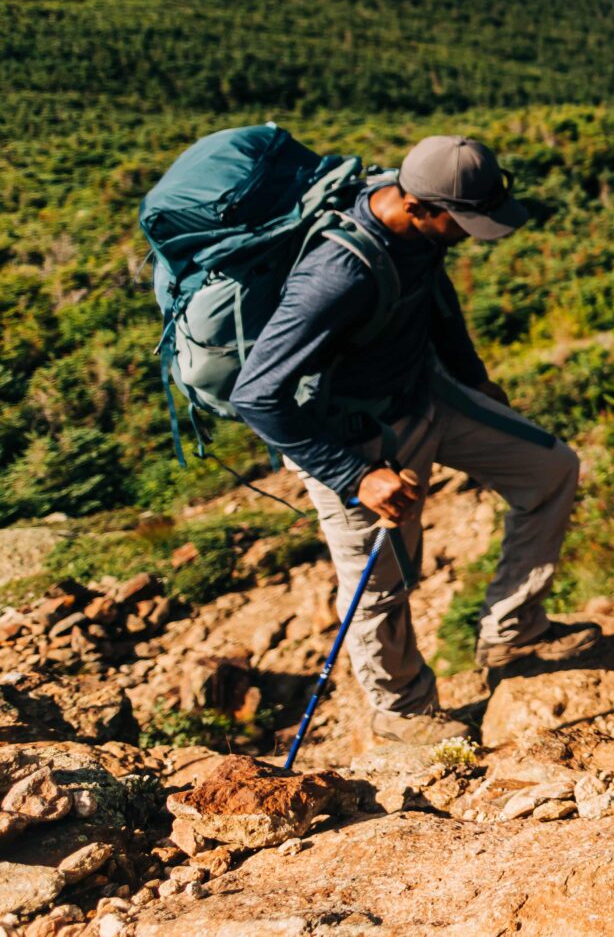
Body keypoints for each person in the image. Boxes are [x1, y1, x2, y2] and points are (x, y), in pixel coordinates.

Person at [233, 135, 590, 745]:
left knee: (550, 468)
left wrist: (475, 378)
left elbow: (433, 299)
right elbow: (256, 395)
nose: (473, 235)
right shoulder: (336, 274)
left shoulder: (420, 232)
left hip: (424, 395)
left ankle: (511, 629)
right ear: (419, 206)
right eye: (465, 222)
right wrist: (355, 476)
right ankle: (401, 712)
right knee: (382, 583)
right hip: (353, 439)